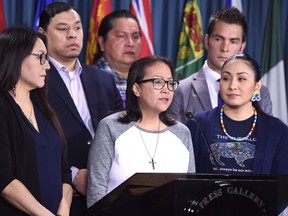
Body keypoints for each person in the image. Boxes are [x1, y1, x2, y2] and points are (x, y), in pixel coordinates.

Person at [38, 2, 123, 215]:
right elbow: (33, 143)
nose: (72, 35)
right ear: (42, 34)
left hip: (109, 193)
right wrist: (73, 174)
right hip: (61, 197)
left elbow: (119, 133)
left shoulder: (103, 79)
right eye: (62, 29)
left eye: (77, 28)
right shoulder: (36, 80)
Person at [186, 53, 288, 215]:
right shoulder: (197, 124)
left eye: (241, 79)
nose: (232, 85)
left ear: (257, 85)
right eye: (226, 78)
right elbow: (185, 181)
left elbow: (283, 188)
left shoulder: (277, 131)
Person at [87, 56, 195, 207]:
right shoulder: (110, 127)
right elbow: (96, 192)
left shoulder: (182, 132)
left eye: (170, 83)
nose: (166, 89)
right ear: (136, 89)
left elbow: (188, 194)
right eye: (157, 82)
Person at [0, 27, 72, 215]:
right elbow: (4, 178)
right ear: (17, 57)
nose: (47, 65)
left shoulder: (45, 108)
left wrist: (63, 210)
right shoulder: (3, 107)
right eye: (41, 57)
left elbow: (64, 173)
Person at [168, 7, 272, 124]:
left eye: (233, 41)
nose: (225, 48)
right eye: (218, 39)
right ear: (207, 41)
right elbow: (176, 140)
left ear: (242, 47)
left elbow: (267, 138)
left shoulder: (260, 92)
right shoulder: (181, 91)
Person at [93, 10, 142, 107]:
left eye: (135, 37)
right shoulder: (91, 80)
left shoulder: (149, 78)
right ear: (102, 43)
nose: (130, 43)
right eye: (121, 36)